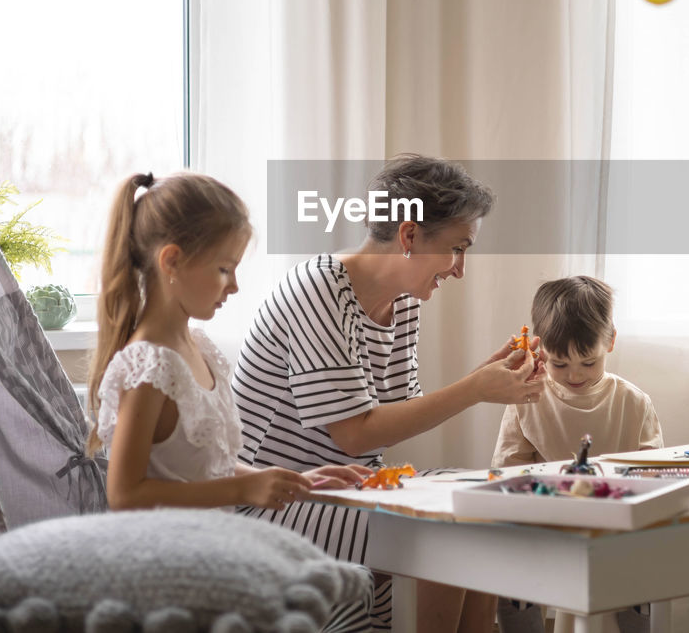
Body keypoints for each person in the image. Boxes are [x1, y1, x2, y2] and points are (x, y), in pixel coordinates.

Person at [232, 154, 545, 633]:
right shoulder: (318, 290)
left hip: (342, 488)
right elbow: (354, 436)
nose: (460, 269)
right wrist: (474, 390)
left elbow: (394, 417)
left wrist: (489, 376)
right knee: (441, 527)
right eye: (457, 248)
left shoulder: (401, 305)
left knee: (481, 499)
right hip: (267, 500)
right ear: (409, 236)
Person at [85, 172, 369, 513]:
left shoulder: (198, 347)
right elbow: (125, 495)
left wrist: (295, 481)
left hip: (214, 542)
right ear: (172, 261)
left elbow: (200, 470)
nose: (233, 286)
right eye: (223, 269)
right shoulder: (148, 366)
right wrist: (242, 489)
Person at [491, 276, 663, 633]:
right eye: (559, 364)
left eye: (588, 362)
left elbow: (654, 473)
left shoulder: (633, 402)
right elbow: (507, 470)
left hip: (617, 524)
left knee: (644, 561)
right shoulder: (527, 399)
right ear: (539, 351)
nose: (574, 375)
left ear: (610, 341)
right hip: (547, 520)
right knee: (507, 558)